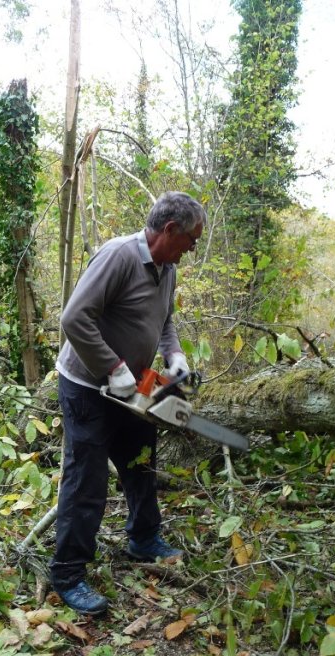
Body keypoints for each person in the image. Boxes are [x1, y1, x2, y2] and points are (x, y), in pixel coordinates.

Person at [51, 191, 207, 615]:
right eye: (190, 239)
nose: (191, 249)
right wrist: (112, 367)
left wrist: (174, 357)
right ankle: (67, 573)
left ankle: (143, 538)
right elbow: (73, 319)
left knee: (141, 462)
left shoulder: (167, 267)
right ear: (170, 230)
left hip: (132, 387)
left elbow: (164, 319)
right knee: (87, 481)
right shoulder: (118, 256)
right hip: (86, 386)